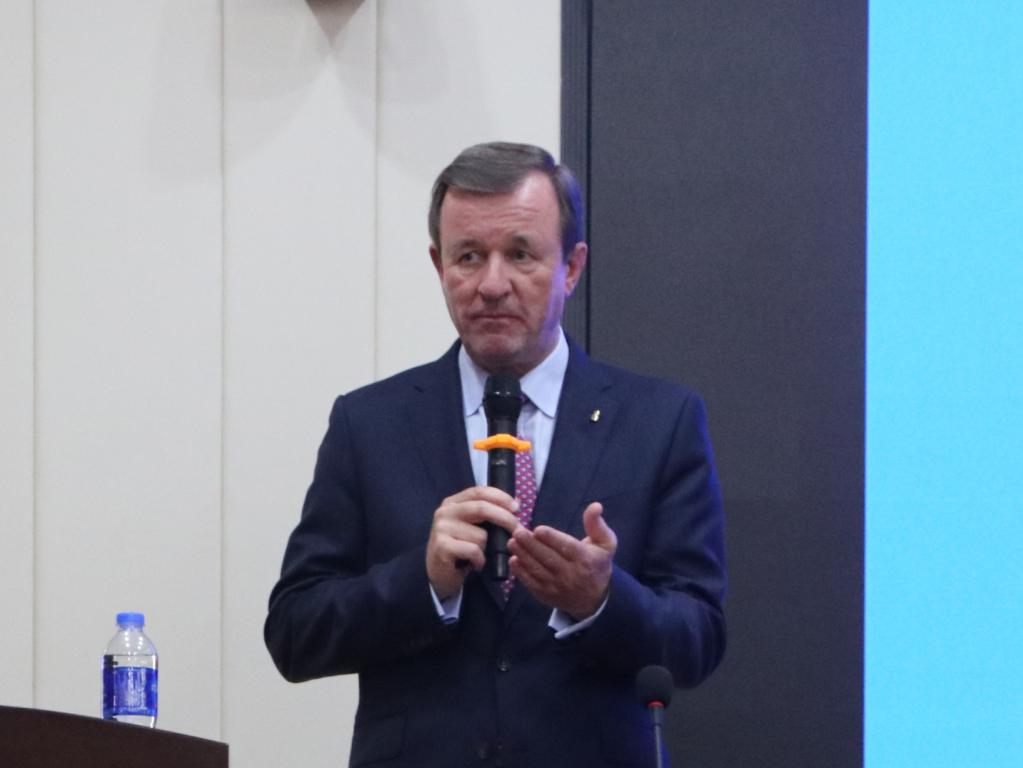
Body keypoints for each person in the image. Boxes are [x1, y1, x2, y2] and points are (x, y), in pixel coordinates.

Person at [265, 142, 726, 767]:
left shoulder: (659, 421)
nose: (491, 284)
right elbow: (295, 632)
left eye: (520, 254)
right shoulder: (369, 423)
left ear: (571, 266)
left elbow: (699, 638)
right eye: (469, 257)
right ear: (439, 266)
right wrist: (423, 580)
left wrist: (599, 599)